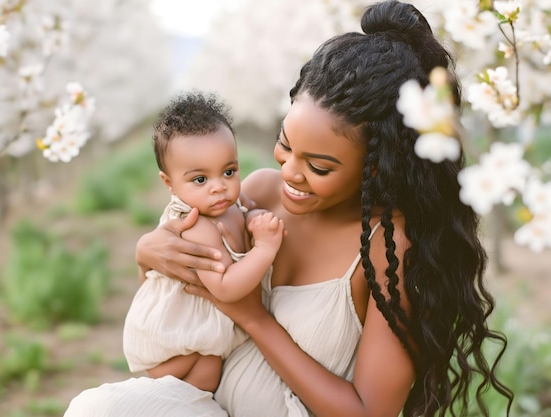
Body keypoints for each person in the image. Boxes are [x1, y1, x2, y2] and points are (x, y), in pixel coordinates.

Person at [64, 1, 513, 416]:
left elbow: (368, 411)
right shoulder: (259, 192)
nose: (291, 172)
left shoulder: (390, 249)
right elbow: (178, 285)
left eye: (318, 166)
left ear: (379, 168)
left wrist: (255, 319)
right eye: (285, 144)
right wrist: (149, 251)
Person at [121, 91, 285, 392]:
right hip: (173, 336)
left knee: (209, 372)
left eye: (229, 171)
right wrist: (264, 248)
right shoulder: (196, 226)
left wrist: (254, 217)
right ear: (169, 183)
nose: (219, 187)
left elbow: (245, 210)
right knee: (206, 377)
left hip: (196, 331)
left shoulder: (229, 204)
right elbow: (226, 287)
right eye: (200, 179)